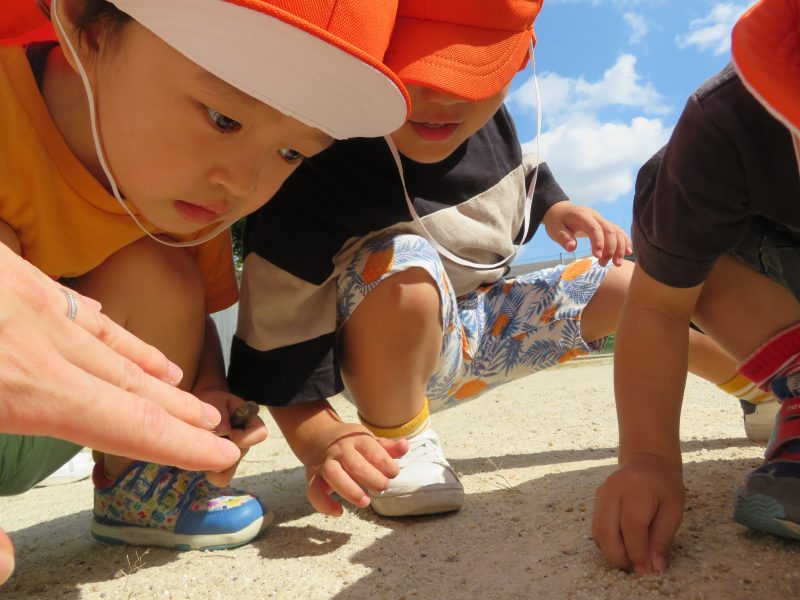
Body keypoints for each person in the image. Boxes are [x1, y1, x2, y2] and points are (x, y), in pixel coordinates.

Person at [228, 0, 750, 519]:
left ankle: (759, 385)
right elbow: (274, 340)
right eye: (410, 68)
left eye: (470, 71)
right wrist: (321, 439)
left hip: (483, 332)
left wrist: (556, 208)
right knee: (404, 266)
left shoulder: (486, 123)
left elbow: (523, 172)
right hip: (379, 348)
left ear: (521, 59)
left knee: (624, 282)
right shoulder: (315, 163)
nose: (441, 95)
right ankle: (400, 440)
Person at [0, 0, 409, 586]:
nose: (241, 183)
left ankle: (141, 489)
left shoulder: (190, 208)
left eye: (292, 152)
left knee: (161, 268)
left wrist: (209, 393)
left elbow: (194, 316)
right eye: (223, 118)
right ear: (84, 24)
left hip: (62, 416)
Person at [592, 0, 800, 577]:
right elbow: (658, 306)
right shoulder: (724, 128)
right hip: (766, 267)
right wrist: (649, 457)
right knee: (680, 250)